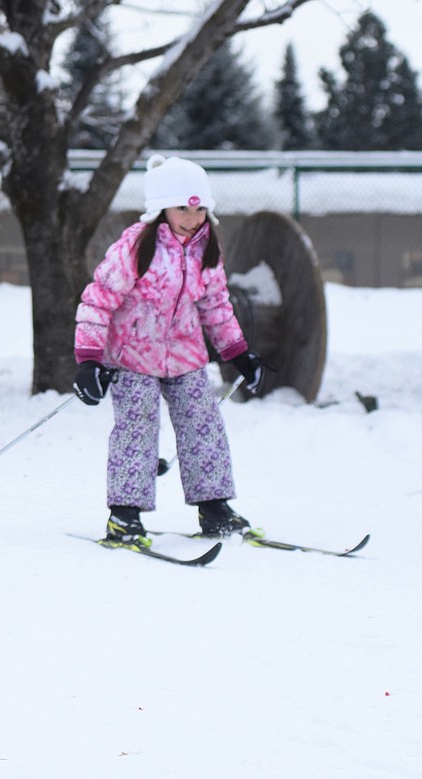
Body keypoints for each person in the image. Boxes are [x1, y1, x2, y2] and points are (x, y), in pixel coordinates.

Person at [72, 154, 264, 545]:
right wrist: (89, 359)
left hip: (185, 356)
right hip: (131, 357)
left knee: (204, 425)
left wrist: (238, 352)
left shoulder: (205, 248)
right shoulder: (135, 247)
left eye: (199, 208)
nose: (192, 217)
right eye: (182, 207)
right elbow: (98, 300)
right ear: (160, 207)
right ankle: (124, 516)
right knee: (136, 429)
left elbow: (215, 304)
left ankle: (214, 508)